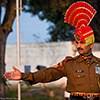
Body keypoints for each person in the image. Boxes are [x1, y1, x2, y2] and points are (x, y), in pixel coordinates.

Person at [4, 1, 100, 100]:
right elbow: (48, 74)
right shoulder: (70, 64)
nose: (78, 46)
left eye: (82, 43)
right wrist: (24, 76)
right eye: (77, 42)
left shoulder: (99, 64)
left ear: (91, 44)